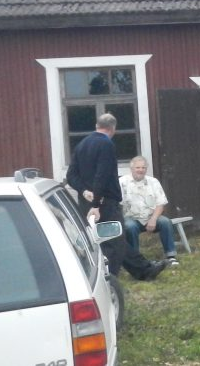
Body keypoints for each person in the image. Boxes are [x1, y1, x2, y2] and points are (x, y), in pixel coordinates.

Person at [66, 113, 168, 280]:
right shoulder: (106, 144)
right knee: (114, 241)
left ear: (97, 125)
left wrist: (84, 191)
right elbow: (102, 175)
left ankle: (144, 269)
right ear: (113, 128)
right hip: (104, 203)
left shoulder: (82, 145)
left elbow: (71, 176)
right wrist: (97, 203)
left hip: (86, 202)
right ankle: (108, 278)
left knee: (113, 238)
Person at [120, 156, 178, 265]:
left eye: (143, 167)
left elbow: (161, 203)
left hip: (151, 216)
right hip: (131, 217)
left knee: (165, 222)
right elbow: (118, 203)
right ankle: (135, 259)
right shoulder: (122, 182)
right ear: (131, 169)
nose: (140, 170)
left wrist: (153, 219)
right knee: (130, 227)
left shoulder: (153, 181)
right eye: (138, 167)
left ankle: (171, 256)